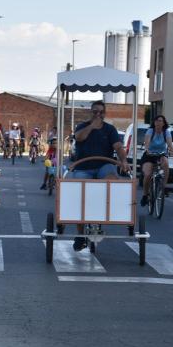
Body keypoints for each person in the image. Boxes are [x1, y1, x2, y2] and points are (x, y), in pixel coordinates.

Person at [71, 100, 131, 251]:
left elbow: (118, 147)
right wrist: (92, 126)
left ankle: (103, 209)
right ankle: (80, 236)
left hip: (104, 165)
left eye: (101, 112)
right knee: (78, 194)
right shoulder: (82, 126)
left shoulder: (110, 129)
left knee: (111, 179)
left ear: (105, 114)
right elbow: (79, 138)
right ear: (90, 113)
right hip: (84, 167)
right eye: (95, 112)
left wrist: (124, 161)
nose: (98, 114)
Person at [140, 115, 173, 206]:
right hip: (149, 155)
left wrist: (171, 150)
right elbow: (147, 142)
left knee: (166, 164)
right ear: (154, 122)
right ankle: (145, 195)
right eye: (156, 121)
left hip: (161, 154)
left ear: (164, 123)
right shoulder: (150, 131)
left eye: (160, 121)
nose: (158, 123)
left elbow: (169, 143)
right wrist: (147, 149)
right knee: (147, 174)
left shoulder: (166, 132)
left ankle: (164, 186)